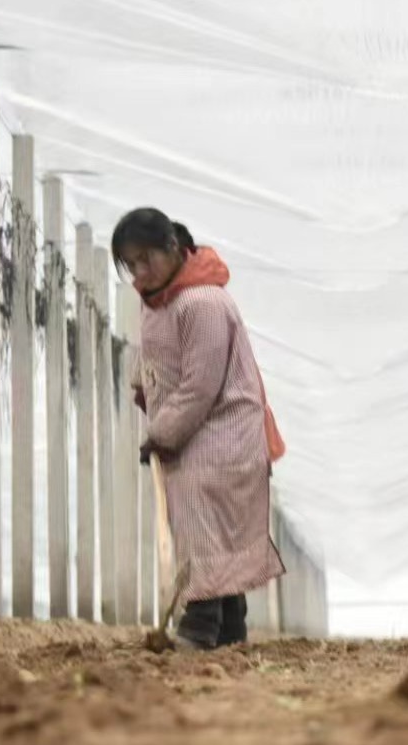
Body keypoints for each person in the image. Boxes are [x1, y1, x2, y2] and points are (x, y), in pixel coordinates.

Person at [113, 208, 286, 650]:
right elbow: (154, 355)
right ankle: (229, 629)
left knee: (201, 524)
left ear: (173, 247)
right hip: (198, 434)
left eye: (146, 258)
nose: (140, 272)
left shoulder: (202, 302)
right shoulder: (160, 300)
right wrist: (143, 387)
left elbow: (200, 385)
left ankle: (200, 625)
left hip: (223, 433)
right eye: (131, 264)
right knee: (211, 530)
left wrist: (162, 434)